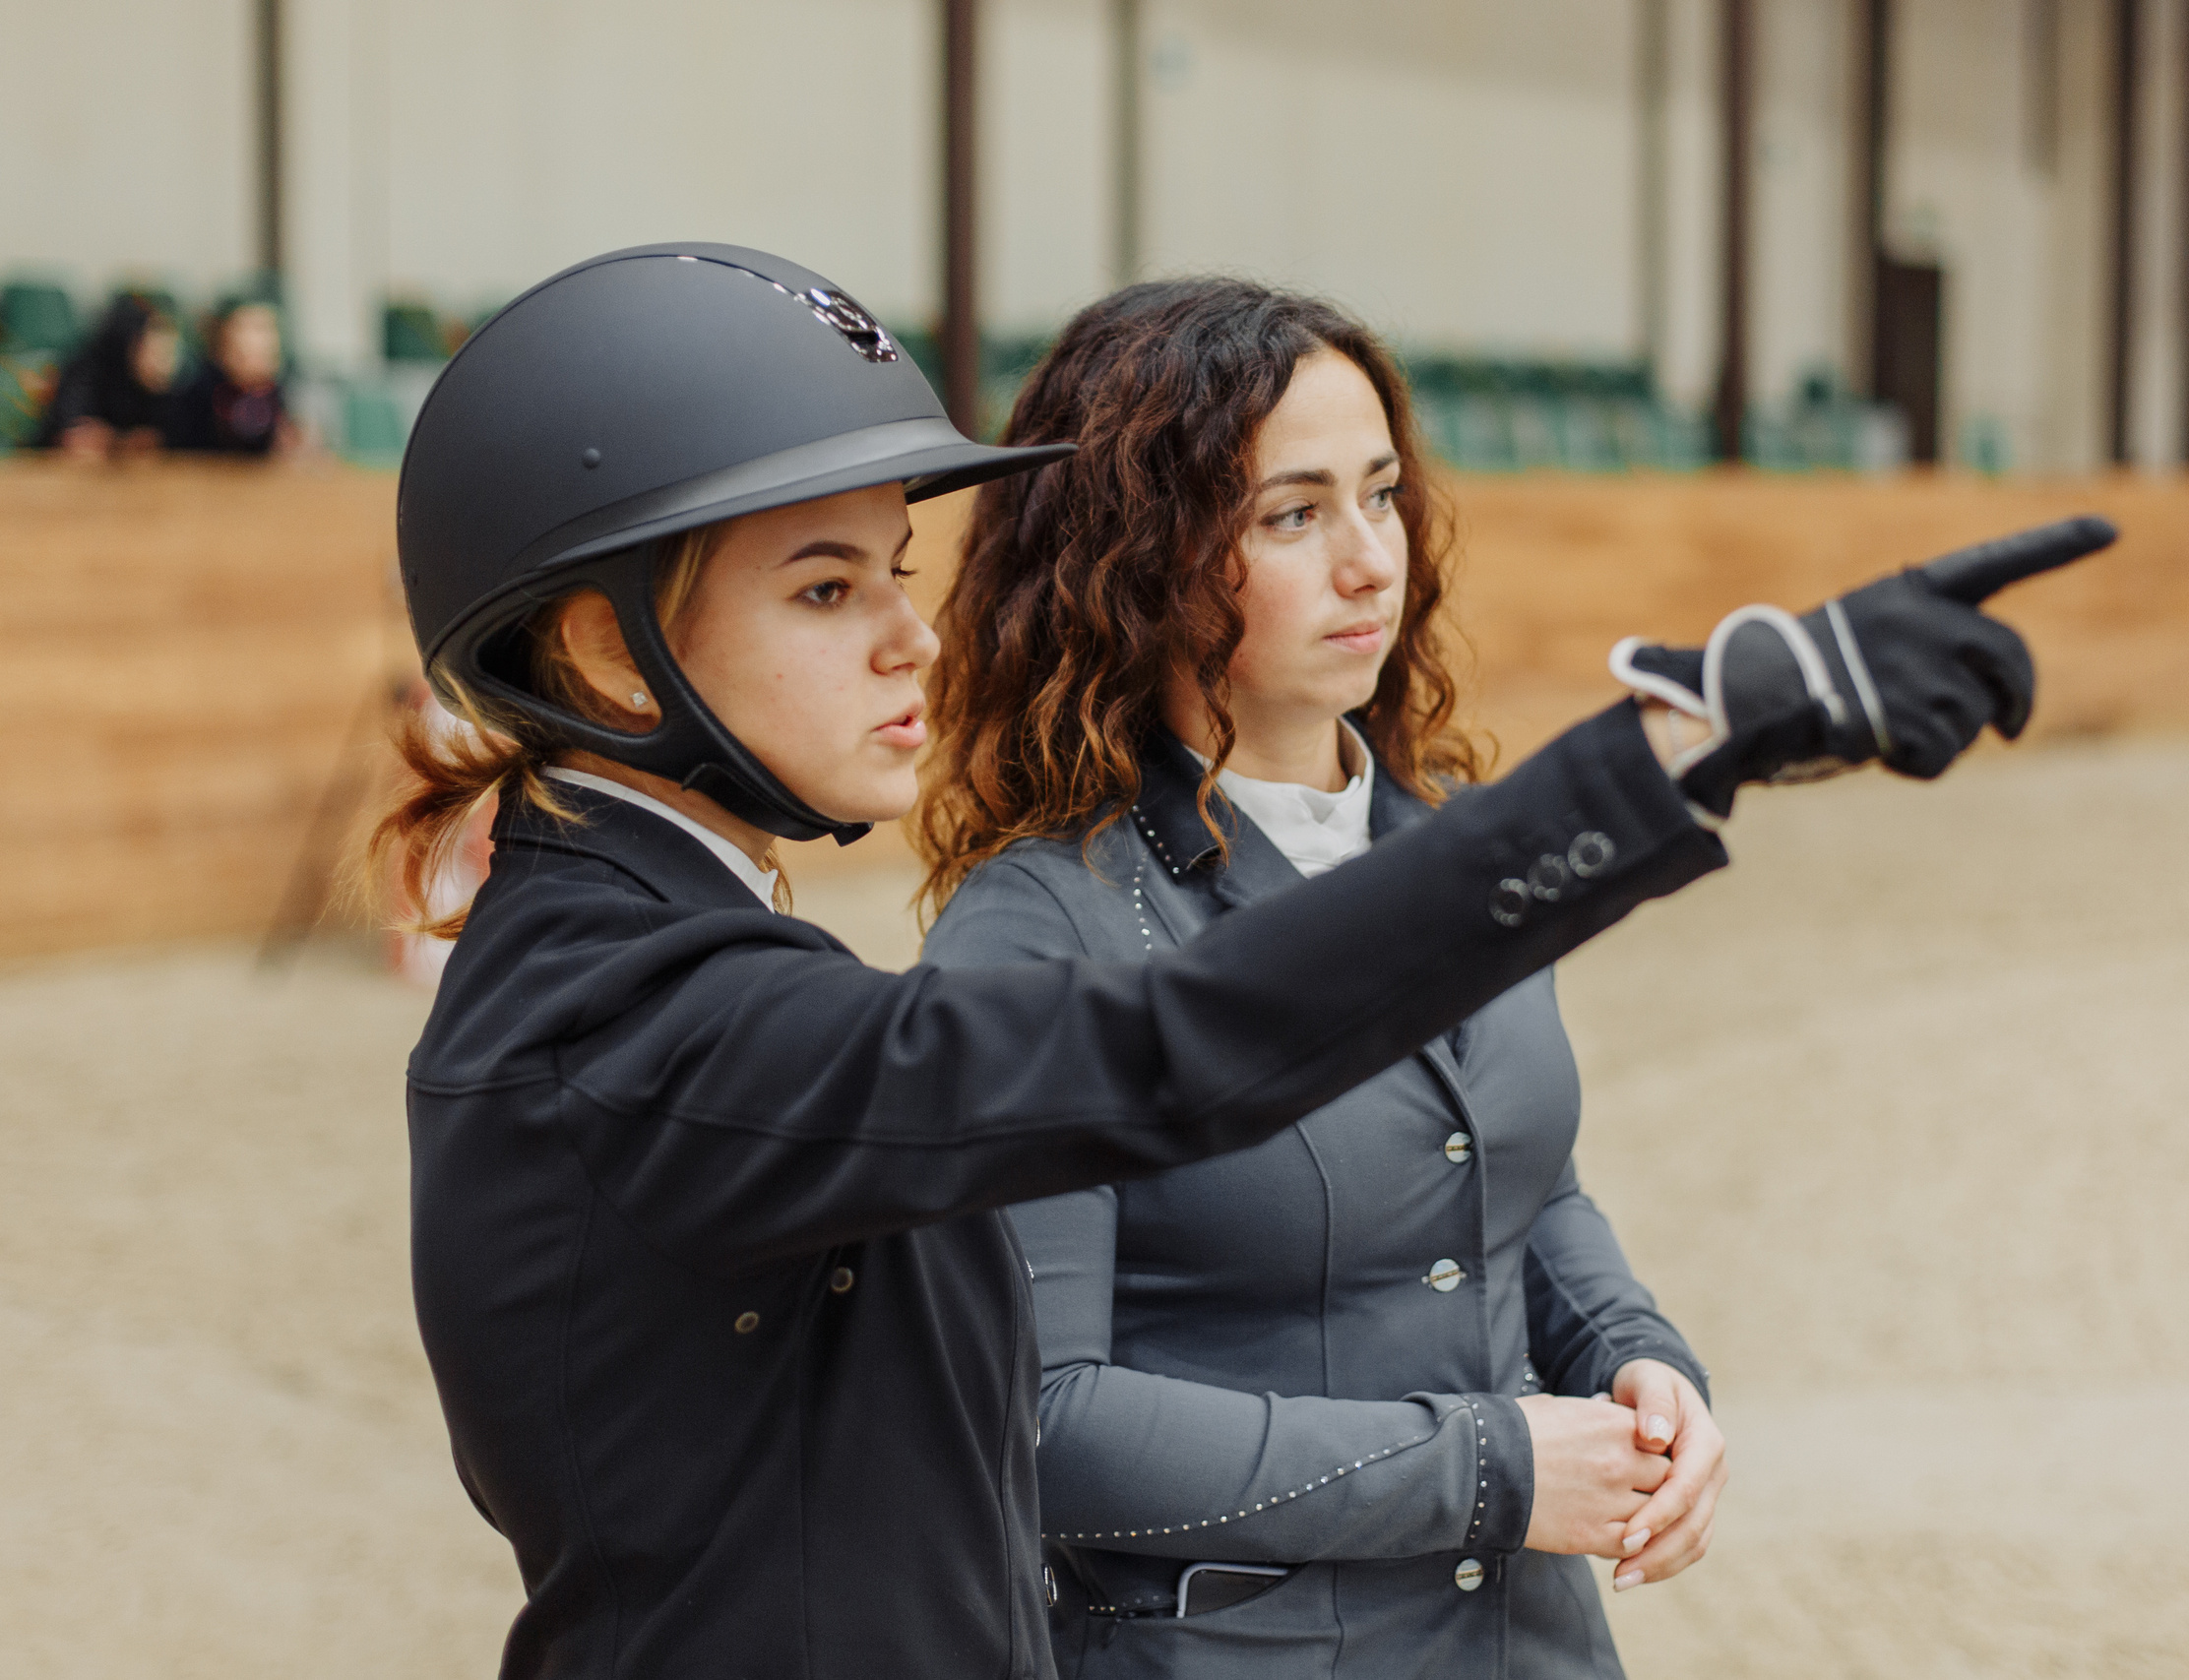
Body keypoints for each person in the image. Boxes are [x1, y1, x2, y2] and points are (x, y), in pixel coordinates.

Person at [379, 241, 2095, 1680]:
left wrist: (1626, 1351)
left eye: (895, 571)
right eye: (829, 592)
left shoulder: (675, 951)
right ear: (608, 649)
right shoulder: (654, 1018)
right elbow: (1171, 1059)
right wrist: (1683, 747)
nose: (915, 632)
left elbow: (1510, 1177)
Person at [912, 279, 1712, 1677]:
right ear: (1139, 558)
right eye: (1292, 515)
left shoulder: (1464, 846)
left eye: (1382, 496)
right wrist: (1488, 1465)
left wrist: (1638, 1360)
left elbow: (1527, 1186)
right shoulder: (1034, 933)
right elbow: (1037, 1421)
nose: (1368, 562)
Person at [36, 291, 181, 458]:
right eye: (153, 349)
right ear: (130, 341)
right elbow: (72, 437)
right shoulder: (86, 372)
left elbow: (163, 439)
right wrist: (118, 442)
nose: (162, 358)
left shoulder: (162, 385)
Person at [167, 297, 295, 456]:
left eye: (269, 329)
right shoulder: (197, 391)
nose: (265, 340)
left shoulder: (280, 391)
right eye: (254, 328)